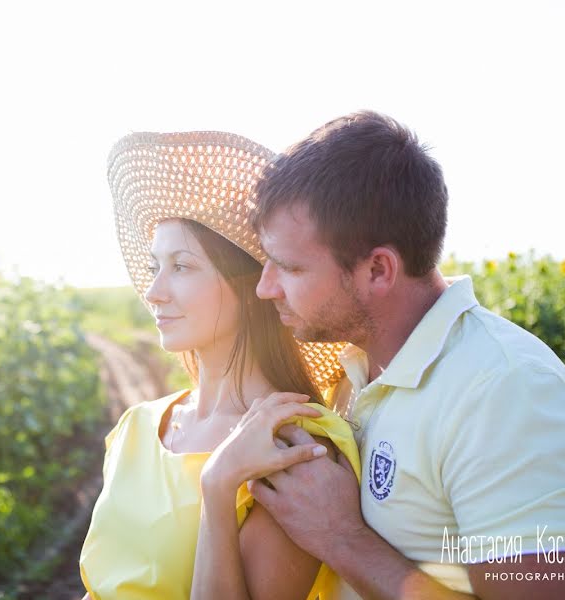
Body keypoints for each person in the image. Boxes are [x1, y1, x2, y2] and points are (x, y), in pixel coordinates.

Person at [222, 111, 565, 599]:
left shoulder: (509, 396)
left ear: (378, 270)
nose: (264, 288)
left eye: (288, 267)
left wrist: (344, 539)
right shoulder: (352, 373)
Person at [79, 131, 361, 600]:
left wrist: (218, 485)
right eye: (155, 268)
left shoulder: (292, 448)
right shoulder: (138, 427)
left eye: (183, 267)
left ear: (253, 285)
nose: (154, 292)